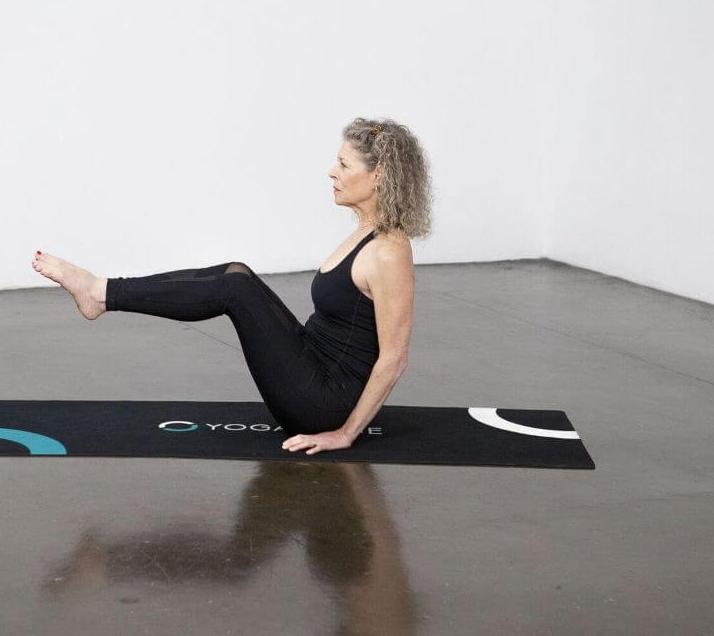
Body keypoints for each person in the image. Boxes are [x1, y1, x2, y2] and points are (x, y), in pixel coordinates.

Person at [30, 117, 434, 454]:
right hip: (312, 365)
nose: (332, 171)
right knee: (235, 272)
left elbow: (395, 357)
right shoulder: (366, 232)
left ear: (377, 176)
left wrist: (345, 433)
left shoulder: (389, 252)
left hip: (324, 403)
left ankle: (99, 293)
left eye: (344, 165)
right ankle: (102, 291)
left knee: (236, 290)